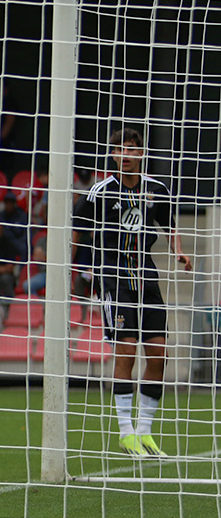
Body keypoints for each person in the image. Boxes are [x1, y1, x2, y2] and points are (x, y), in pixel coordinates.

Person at [72, 127, 191, 458]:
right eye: (120, 150)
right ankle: (125, 433)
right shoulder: (99, 192)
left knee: (159, 354)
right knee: (126, 351)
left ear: (141, 155)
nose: (126, 156)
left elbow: (169, 225)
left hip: (147, 280)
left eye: (132, 150)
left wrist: (178, 251)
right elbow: (77, 231)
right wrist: (70, 272)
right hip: (113, 279)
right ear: (113, 155)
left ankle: (145, 432)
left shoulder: (156, 189)